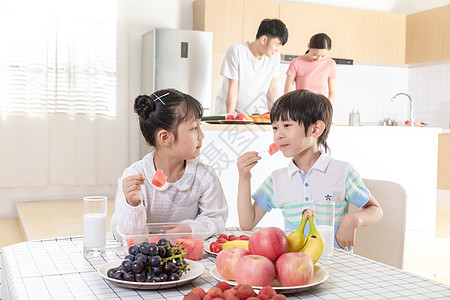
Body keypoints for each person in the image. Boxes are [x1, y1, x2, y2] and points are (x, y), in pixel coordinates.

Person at [236, 89, 383, 249]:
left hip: (337, 265)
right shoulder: (277, 180)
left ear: (315, 129)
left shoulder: (342, 172)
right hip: (294, 264)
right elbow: (247, 222)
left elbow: (375, 210)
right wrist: (244, 177)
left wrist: (353, 220)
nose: (278, 135)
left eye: (287, 125)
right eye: (275, 128)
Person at [111, 88, 228, 238]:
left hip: (187, 254)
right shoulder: (135, 177)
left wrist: (188, 230)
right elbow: (124, 235)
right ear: (165, 137)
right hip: (147, 257)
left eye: (200, 126)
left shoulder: (205, 176)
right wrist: (132, 205)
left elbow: (216, 219)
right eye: (194, 128)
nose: (202, 135)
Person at [214, 18, 288, 115]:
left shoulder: (274, 57)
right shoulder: (237, 51)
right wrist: (230, 117)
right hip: (229, 110)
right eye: (277, 44)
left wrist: (275, 117)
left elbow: (272, 90)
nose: (278, 50)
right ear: (264, 39)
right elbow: (233, 88)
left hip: (254, 114)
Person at [284, 33, 337, 103]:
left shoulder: (330, 64)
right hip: (300, 106)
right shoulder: (296, 62)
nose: (318, 58)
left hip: (320, 107)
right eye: (315, 54)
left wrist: (325, 109)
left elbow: (332, 94)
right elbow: (287, 92)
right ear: (308, 46)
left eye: (323, 56)